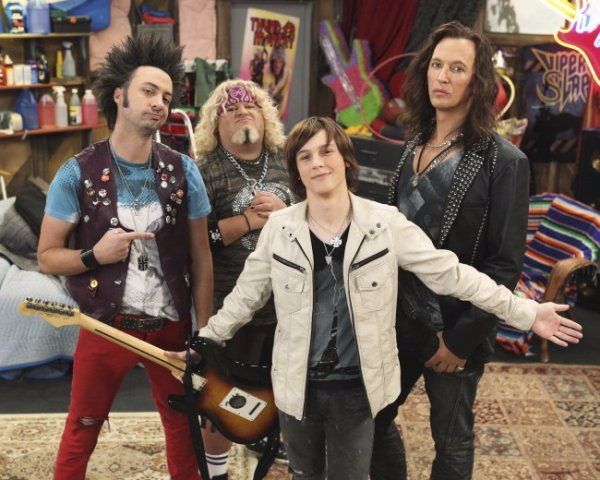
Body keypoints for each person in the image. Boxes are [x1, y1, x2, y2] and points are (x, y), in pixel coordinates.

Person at [169, 116, 581, 480]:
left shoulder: (385, 224)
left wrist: (527, 313)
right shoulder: (279, 228)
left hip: (356, 389)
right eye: (305, 156)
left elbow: (453, 275)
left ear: (346, 160)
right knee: (304, 474)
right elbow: (245, 297)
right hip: (296, 387)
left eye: (326, 152)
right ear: (296, 171)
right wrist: (206, 341)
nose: (317, 163)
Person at [37, 35, 213, 480]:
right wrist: (94, 255)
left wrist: (205, 335)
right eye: (149, 91)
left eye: (167, 97)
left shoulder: (184, 170)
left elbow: (201, 259)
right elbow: (47, 257)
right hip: (105, 324)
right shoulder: (76, 172)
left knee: (183, 427)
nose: (159, 103)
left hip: (171, 325)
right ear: (119, 95)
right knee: (82, 427)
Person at [370, 21, 532, 480]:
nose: (442, 76)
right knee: (373, 418)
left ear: (477, 82)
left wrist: (461, 340)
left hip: (455, 324)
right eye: (436, 65)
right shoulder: (413, 145)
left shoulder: (505, 162)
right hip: (395, 316)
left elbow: (505, 264)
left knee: (452, 437)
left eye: (457, 68)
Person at [193, 78, 293, 477]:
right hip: (231, 309)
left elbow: (322, 218)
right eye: (230, 108)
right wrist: (248, 221)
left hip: (290, 306)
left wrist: (285, 213)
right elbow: (196, 241)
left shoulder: (291, 159)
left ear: (266, 117)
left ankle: (268, 443)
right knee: (221, 400)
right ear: (215, 125)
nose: (241, 110)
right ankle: (216, 473)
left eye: (251, 105)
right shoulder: (204, 170)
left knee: (286, 394)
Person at [263, 45, 292, 114]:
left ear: (283, 64)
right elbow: (265, 93)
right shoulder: (267, 71)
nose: (277, 65)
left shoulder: (288, 73)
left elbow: (284, 96)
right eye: (275, 61)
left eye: (280, 62)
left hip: (278, 110)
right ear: (272, 62)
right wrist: (271, 92)